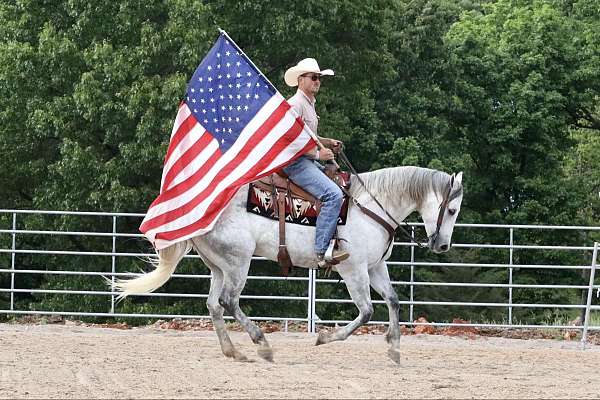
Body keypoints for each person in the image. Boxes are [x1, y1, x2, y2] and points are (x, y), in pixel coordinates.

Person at [282, 58, 349, 267]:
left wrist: (328, 143)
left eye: (319, 78)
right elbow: (289, 139)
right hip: (294, 163)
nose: (317, 81)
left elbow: (309, 136)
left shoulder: (309, 104)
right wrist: (319, 155)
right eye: (313, 77)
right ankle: (321, 252)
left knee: (342, 183)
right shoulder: (295, 105)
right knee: (333, 194)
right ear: (300, 80)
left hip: (305, 160)